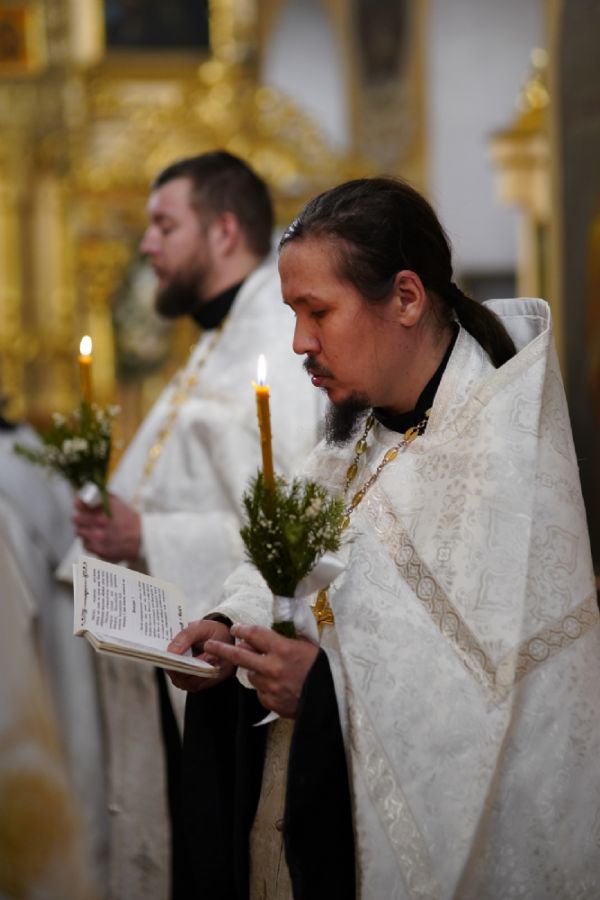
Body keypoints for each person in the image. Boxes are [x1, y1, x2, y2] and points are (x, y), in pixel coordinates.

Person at [168, 177, 600, 900]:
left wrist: (324, 691)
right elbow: (286, 567)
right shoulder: (359, 429)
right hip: (300, 812)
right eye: (293, 314)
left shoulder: (499, 455)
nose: (301, 343)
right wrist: (228, 627)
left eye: (318, 312)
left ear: (405, 298)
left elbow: (480, 709)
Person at [66, 151, 322, 900]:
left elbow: (299, 530)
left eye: (164, 224)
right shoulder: (217, 339)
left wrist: (147, 536)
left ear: (224, 231)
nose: (147, 244)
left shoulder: (274, 346)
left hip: (233, 684)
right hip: (179, 666)